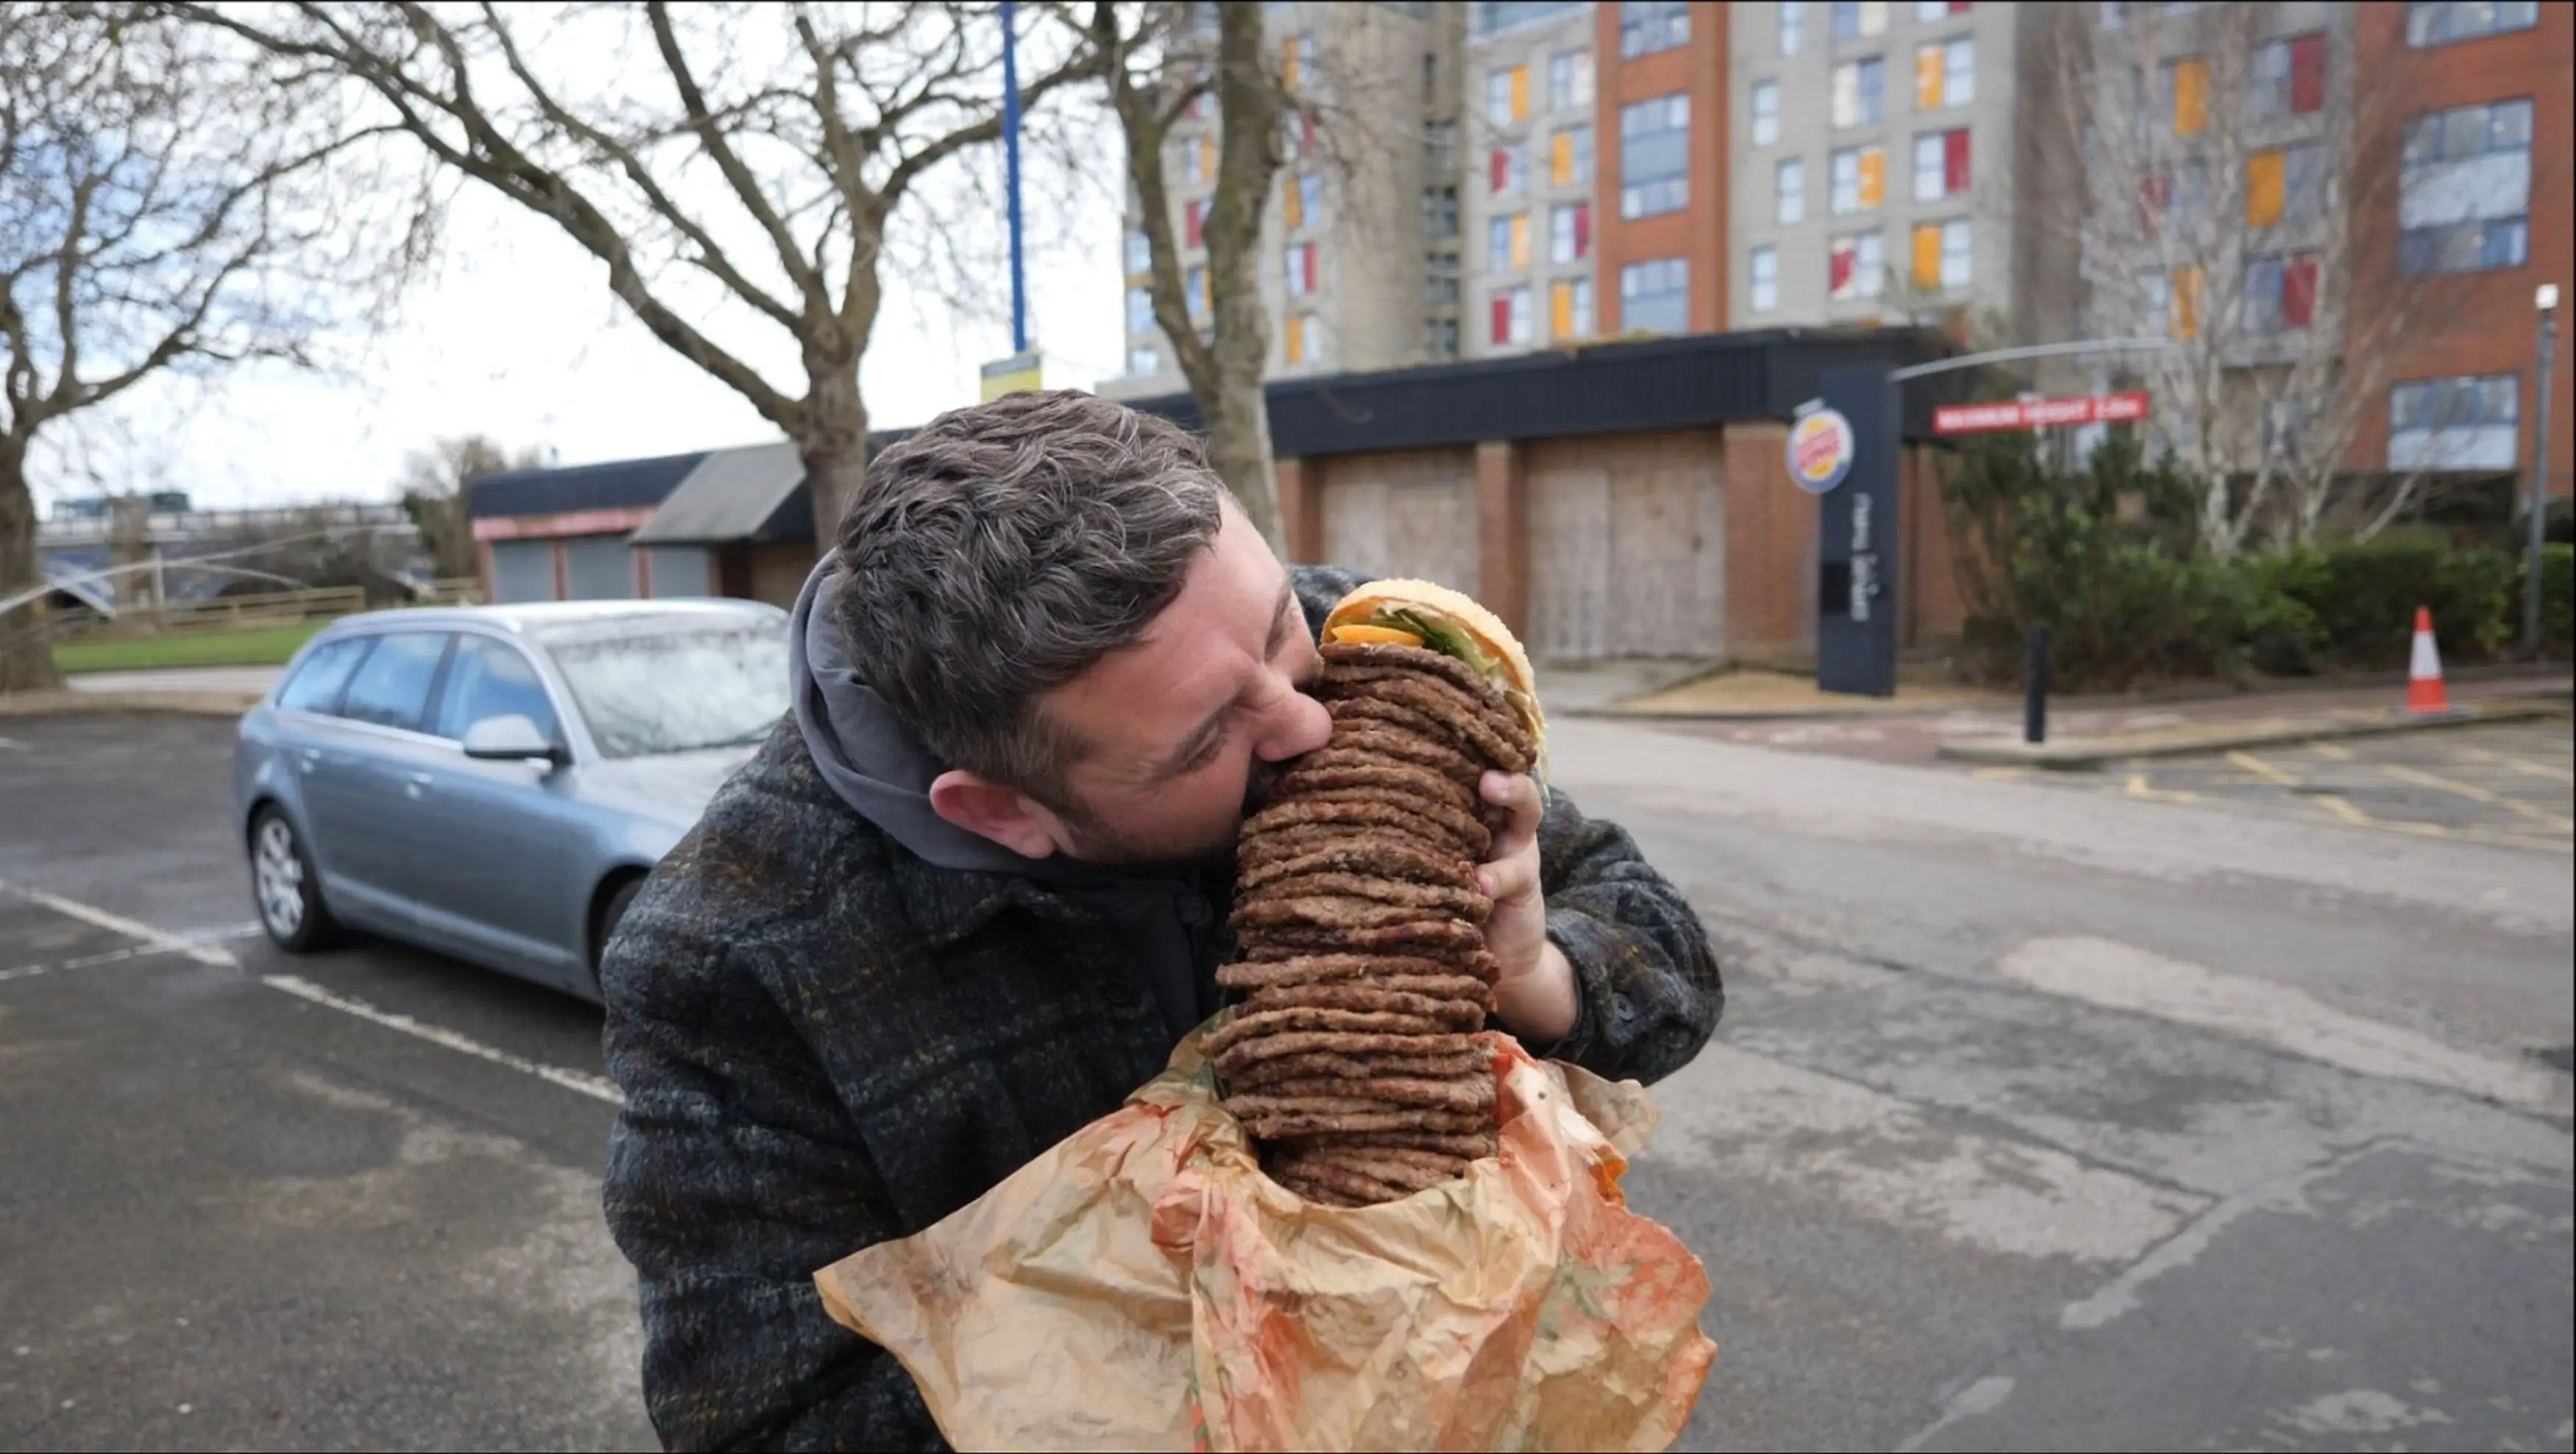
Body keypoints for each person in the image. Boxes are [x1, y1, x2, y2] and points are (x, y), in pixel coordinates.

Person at [599, 390, 1723, 1450]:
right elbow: (760, 1415)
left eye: (1282, 621)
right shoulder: (731, 954)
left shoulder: (1358, 656)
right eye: (1204, 742)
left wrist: (1535, 970)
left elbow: (1664, 959)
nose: (1308, 725)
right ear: (1003, 808)